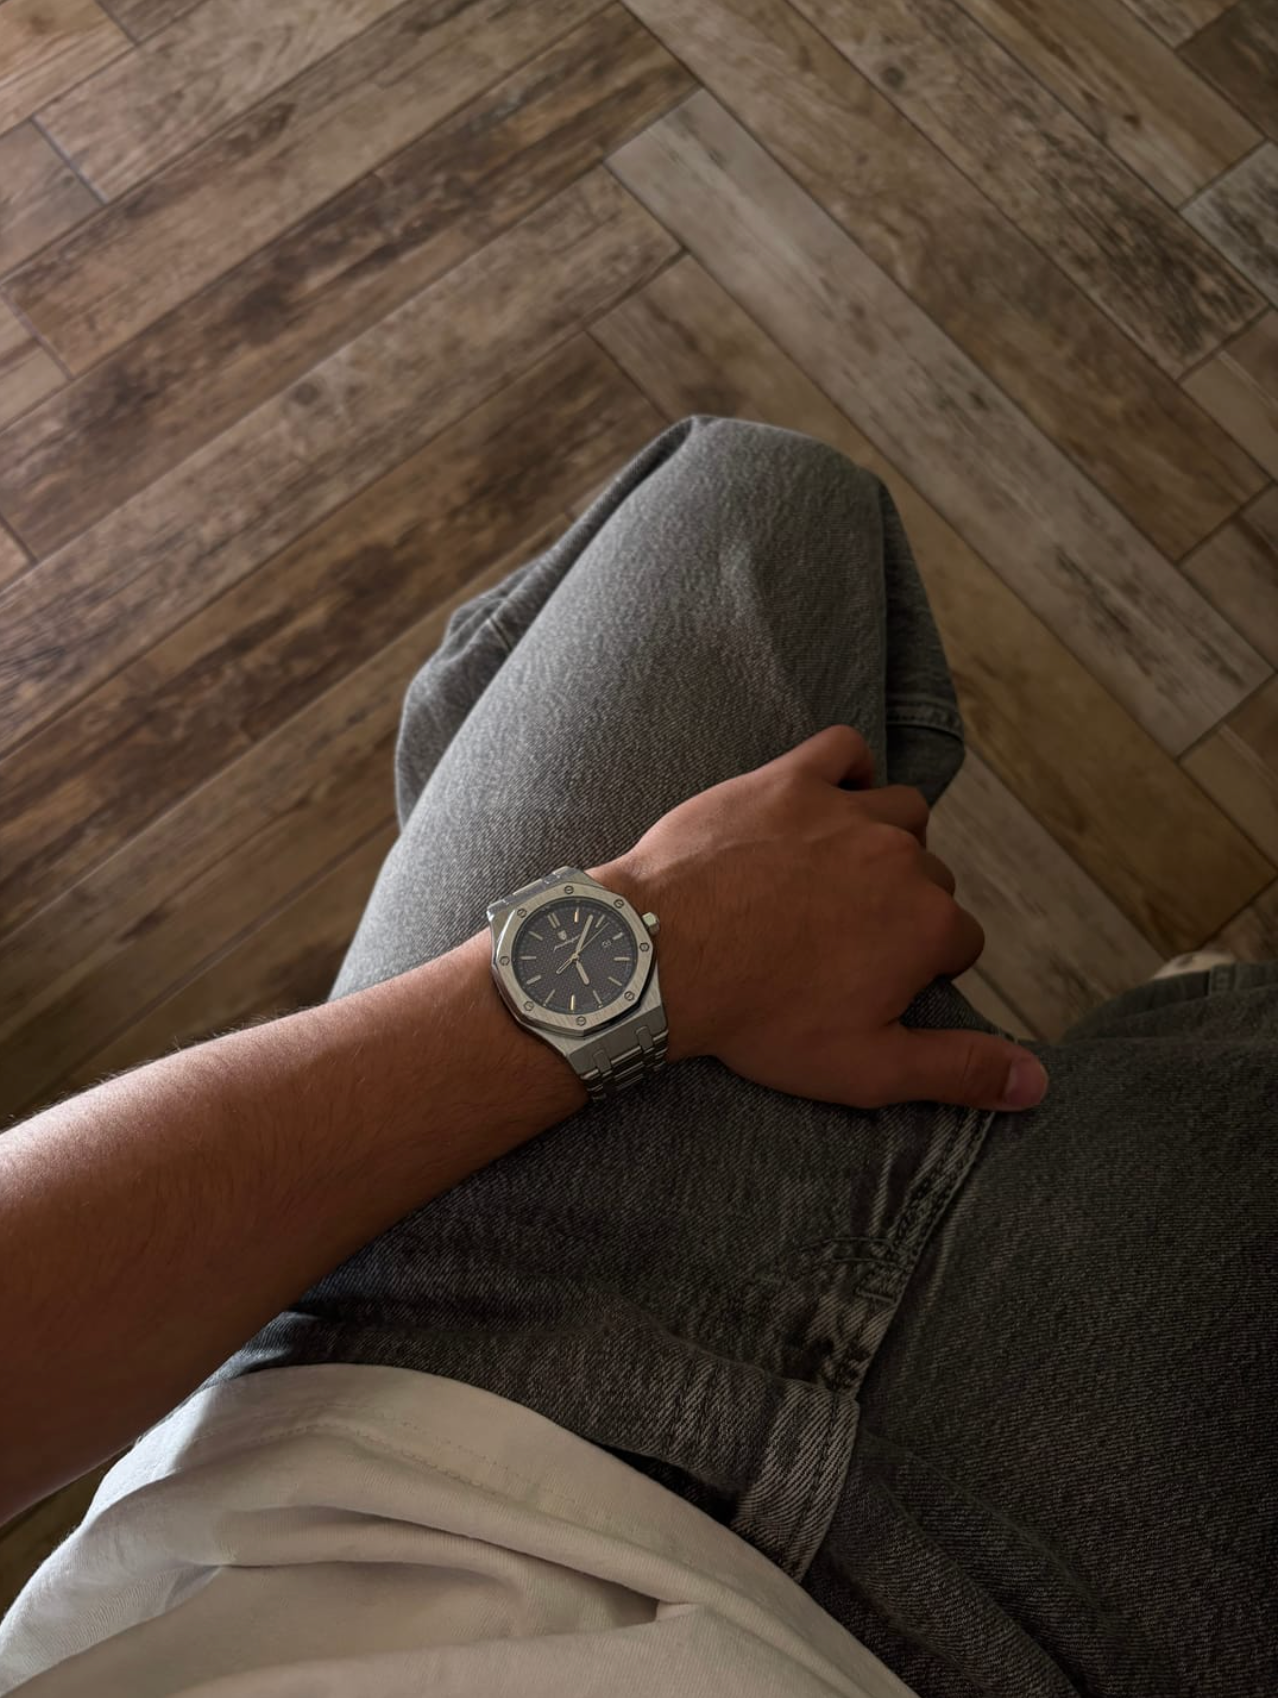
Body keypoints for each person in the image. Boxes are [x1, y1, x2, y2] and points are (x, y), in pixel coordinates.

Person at [0, 419, 1273, 1698]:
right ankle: (1160, 1043)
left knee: (753, 502)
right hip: (1006, 1640)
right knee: (1223, 1090)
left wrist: (673, 939)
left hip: (391, 1400)